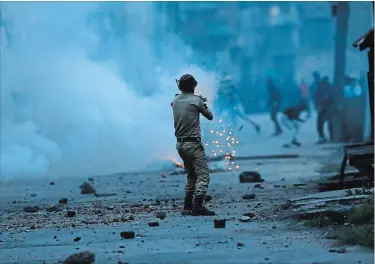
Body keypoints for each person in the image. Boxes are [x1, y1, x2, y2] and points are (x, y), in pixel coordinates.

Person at [171, 74, 215, 216]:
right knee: (203, 176)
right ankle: (198, 206)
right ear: (193, 86)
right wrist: (202, 102)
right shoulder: (196, 100)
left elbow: (180, 102)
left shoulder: (175, 100)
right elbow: (210, 116)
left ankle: (187, 205)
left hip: (180, 145)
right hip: (193, 145)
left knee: (191, 175)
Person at [314, 76, 334, 144]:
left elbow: (316, 97)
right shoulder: (330, 87)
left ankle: (322, 137)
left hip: (323, 108)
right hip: (327, 108)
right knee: (329, 123)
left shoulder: (321, 87)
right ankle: (330, 137)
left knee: (320, 124)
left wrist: (317, 106)